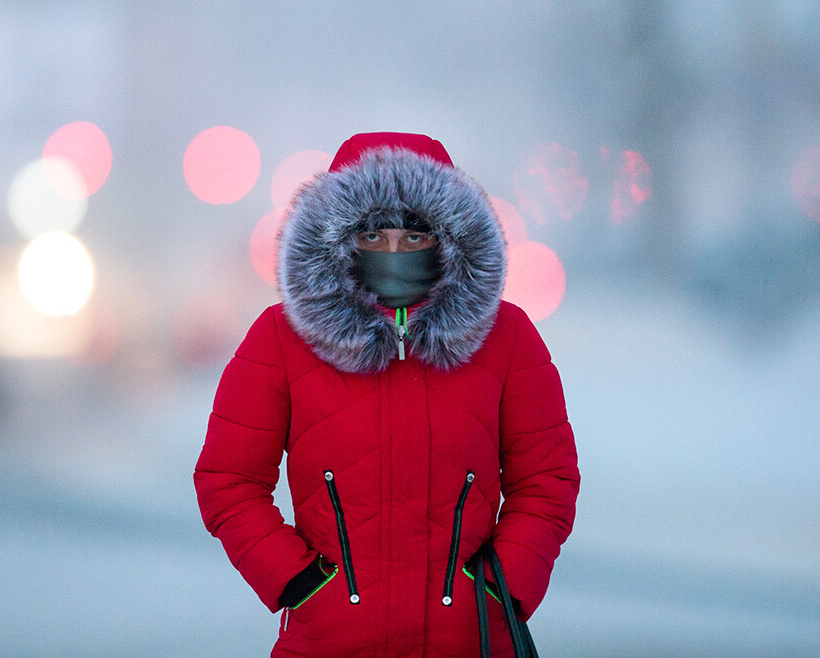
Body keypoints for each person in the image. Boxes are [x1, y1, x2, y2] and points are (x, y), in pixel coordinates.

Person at [195, 132, 579, 657]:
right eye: (374, 234)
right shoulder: (281, 339)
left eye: (414, 235)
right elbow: (228, 479)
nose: (394, 252)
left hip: (469, 641)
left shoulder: (507, 337)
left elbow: (547, 480)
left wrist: (502, 588)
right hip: (327, 645)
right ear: (338, 239)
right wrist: (298, 583)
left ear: (450, 239)